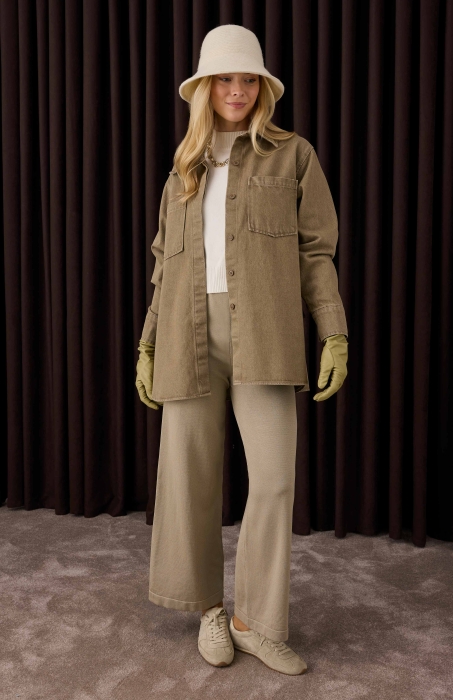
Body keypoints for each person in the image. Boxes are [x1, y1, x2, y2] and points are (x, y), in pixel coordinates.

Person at [135, 24, 349, 676]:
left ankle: (253, 622)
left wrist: (333, 330)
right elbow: (164, 266)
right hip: (186, 335)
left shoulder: (294, 156)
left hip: (266, 333)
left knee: (275, 482)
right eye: (224, 79)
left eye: (247, 79)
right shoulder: (184, 169)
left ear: (262, 87)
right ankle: (209, 609)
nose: (237, 90)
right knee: (190, 479)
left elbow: (316, 251)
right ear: (205, 88)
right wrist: (147, 341)